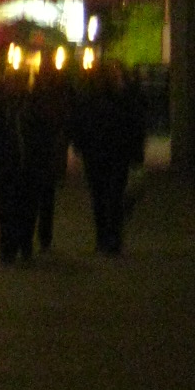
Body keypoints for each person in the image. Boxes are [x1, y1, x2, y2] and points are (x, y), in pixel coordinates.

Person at [72, 61, 146, 255]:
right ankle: (112, 238)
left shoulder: (90, 100)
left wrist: (80, 145)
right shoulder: (123, 100)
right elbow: (135, 127)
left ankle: (104, 238)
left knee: (101, 197)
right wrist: (136, 153)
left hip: (98, 154)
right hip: (115, 154)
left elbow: (80, 124)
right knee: (113, 197)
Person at [0, 69, 38, 264]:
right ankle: (7, 249)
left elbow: (42, 135)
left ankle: (25, 246)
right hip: (7, 166)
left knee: (27, 208)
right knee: (6, 207)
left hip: (28, 165)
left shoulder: (32, 106)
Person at [29, 60, 74, 254]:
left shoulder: (48, 93)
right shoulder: (42, 93)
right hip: (41, 151)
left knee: (44, 196)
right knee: (41, 197)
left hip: (45, 151)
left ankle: (42, 236)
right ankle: (41, 236)